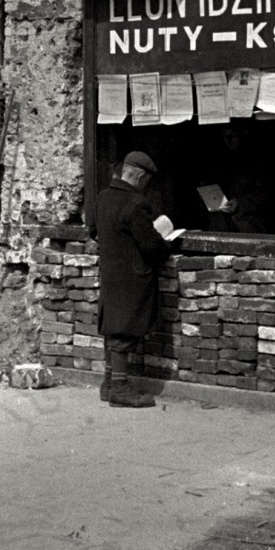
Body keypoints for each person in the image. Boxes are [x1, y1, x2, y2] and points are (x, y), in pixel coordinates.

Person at [94, 150, 172, 408]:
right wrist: (165, 243)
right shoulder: (136, 204)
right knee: (124, 333)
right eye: (146, 181)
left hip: (110, 273)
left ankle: (108, 384)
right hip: (132, 277)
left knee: (113, 328)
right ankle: (120, 388)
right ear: (138, 176)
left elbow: (93, 230)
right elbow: (151, 247)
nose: (145, 186)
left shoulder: (103, 197)